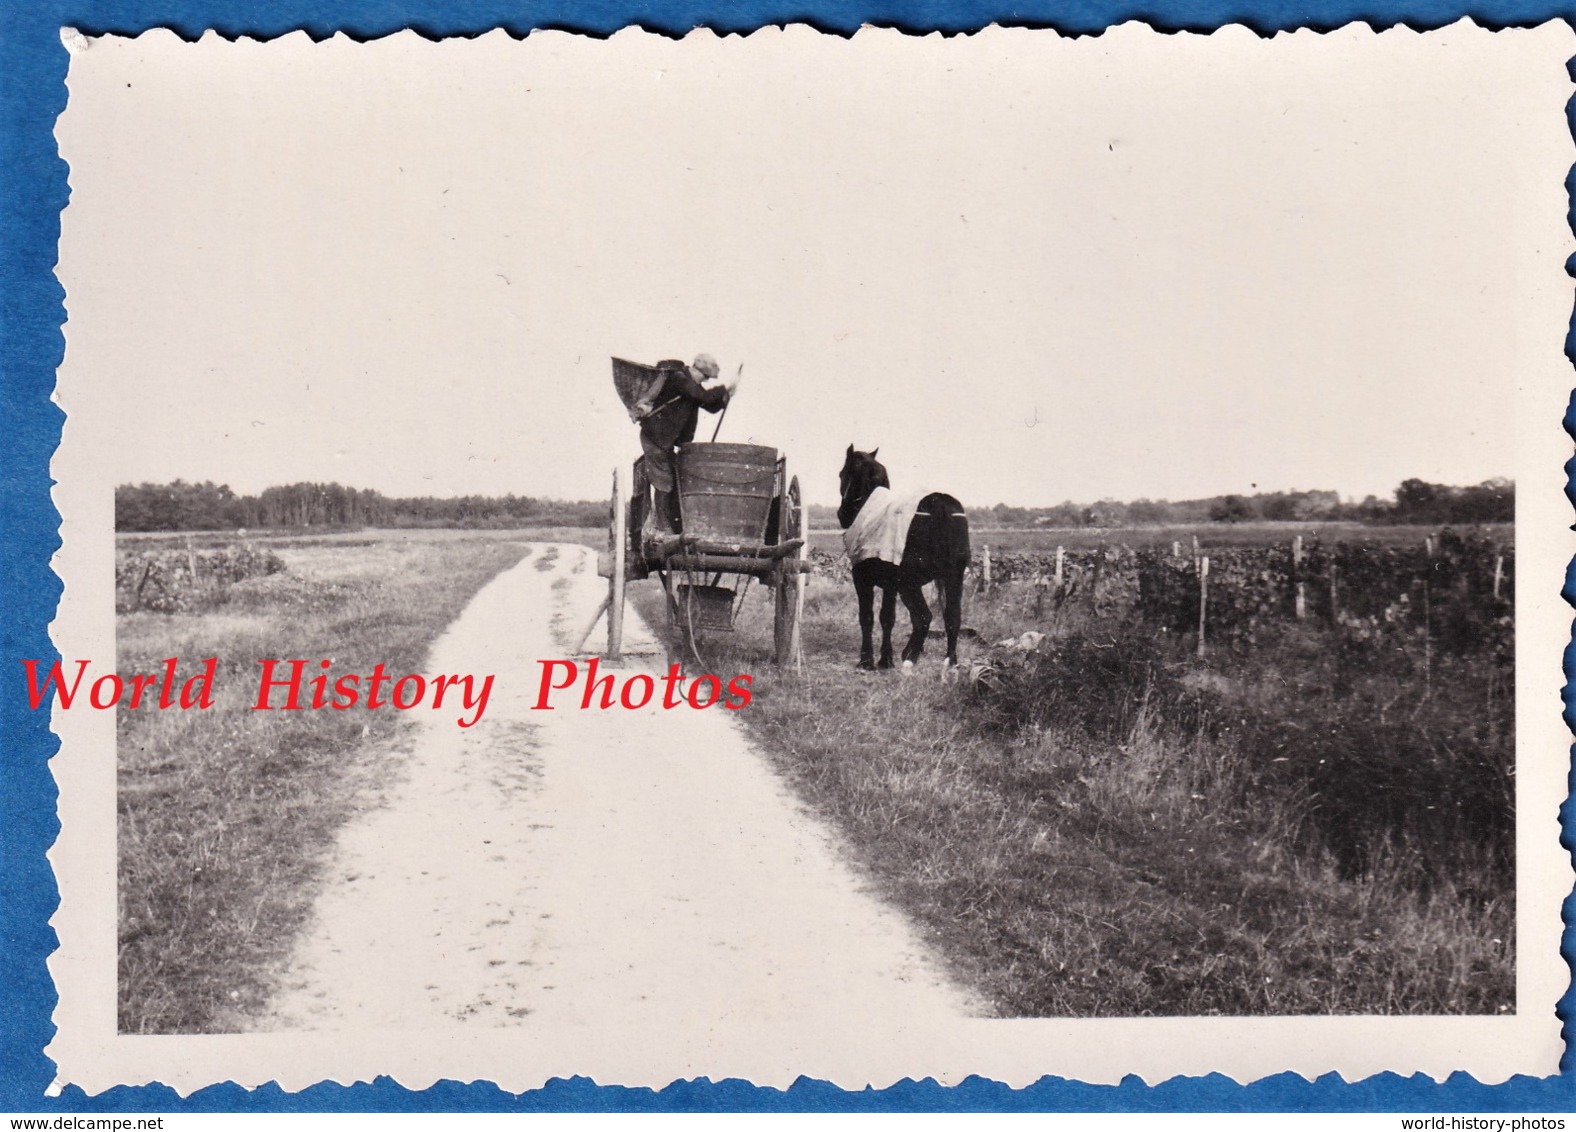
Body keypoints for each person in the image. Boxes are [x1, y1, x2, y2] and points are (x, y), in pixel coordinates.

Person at [630, 354, 736, 533]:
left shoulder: (691, 386)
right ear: (696, 370)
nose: (702, 381)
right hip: (655, 438)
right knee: (664, 481)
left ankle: (672, 526)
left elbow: (710, 406)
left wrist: (725, 397)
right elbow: (702, 396)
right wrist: (724, 389)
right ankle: (663, 528)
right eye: (703, 377)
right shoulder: (679, 378)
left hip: (665, 441)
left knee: (672, 481)